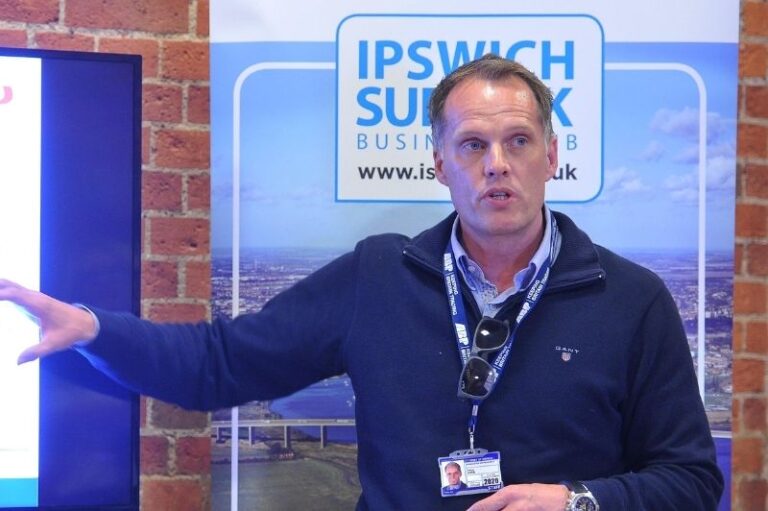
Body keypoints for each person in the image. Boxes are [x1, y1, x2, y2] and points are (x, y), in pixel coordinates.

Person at [0, 54, 723, 510]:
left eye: (518, 141)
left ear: (552, 156)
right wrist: (95, 329)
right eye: (472, 144)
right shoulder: (378, 277)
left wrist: (574, 502)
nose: (497, 164)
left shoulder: (632, 300)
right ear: (439, 163)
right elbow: (220, 362)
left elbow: (691, 480)